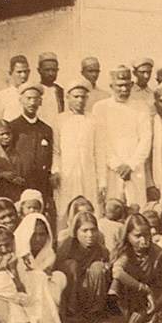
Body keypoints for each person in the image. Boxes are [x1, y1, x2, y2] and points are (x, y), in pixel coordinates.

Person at [93, 66, 152, 207]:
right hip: (111, 169)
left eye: (127, 85)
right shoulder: (101, 107)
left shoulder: (141, 107)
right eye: (119, 86)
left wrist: (131, 165)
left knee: (136, 209)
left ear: (132, 85)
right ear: (111, 86)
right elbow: (101, 141)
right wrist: (117, 165)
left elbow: (145, 139)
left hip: (135, 168)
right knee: (112, 209)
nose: (124, 90)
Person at [110, 214, 162, 323]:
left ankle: (149, 314)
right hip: (132, 295)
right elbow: (117, 272)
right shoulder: (125, 252)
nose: (144, 240)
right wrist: (145, 290)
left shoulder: (158, 254)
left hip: (156, 297)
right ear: (128, 236)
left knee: (160, 314)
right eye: (138, 236)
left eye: (147, 235)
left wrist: (154, 306)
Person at [54, 79, 106, 221]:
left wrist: (102, 182)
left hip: (89, 174)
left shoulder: (94, 120)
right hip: (67, 174)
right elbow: (56, 151)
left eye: (83, 97)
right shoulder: (59, 120)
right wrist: (56, 171)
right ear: (68, 98)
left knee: (90, 208)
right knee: (65, 209)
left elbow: (99, 153)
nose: (80, 100)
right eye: (75, 97)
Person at [10, 82, 59, 223]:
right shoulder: (13, 126)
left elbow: (51, 155)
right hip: (20, 182)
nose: (32, 102)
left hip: (41, 182)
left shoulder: (46, 129)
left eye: (35, 99)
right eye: (28, 98)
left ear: (40, 102)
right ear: (21, 100)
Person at [55, 211, 110, 323]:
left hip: (91, 293)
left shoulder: (100, 250)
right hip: (72, 293)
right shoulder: (66, 248)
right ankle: (70, 313)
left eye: (93, 230)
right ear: (76, 232)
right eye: (84, 230)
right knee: (71, 265)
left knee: (98, 266)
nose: (90, 235)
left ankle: (95, 313)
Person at [0, 119, 25, 201]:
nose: (6, 137)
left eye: (8, 133)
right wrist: (1, 175)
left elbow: (22, 173)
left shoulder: (15, 153)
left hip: (14, 194)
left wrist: (19, 180)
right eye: (2, 134)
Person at [0, 55, 30, 121]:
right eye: (19, 72)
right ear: (10, 73)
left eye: (26, 72)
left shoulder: (33, 95)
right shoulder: (1, 96)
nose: (23, 75)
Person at [35, 52, 64, 129]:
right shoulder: (34, 91)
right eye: (47, 70)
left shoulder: (61, 91)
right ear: (39, 70)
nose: (50, 73)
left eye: (53, 70)